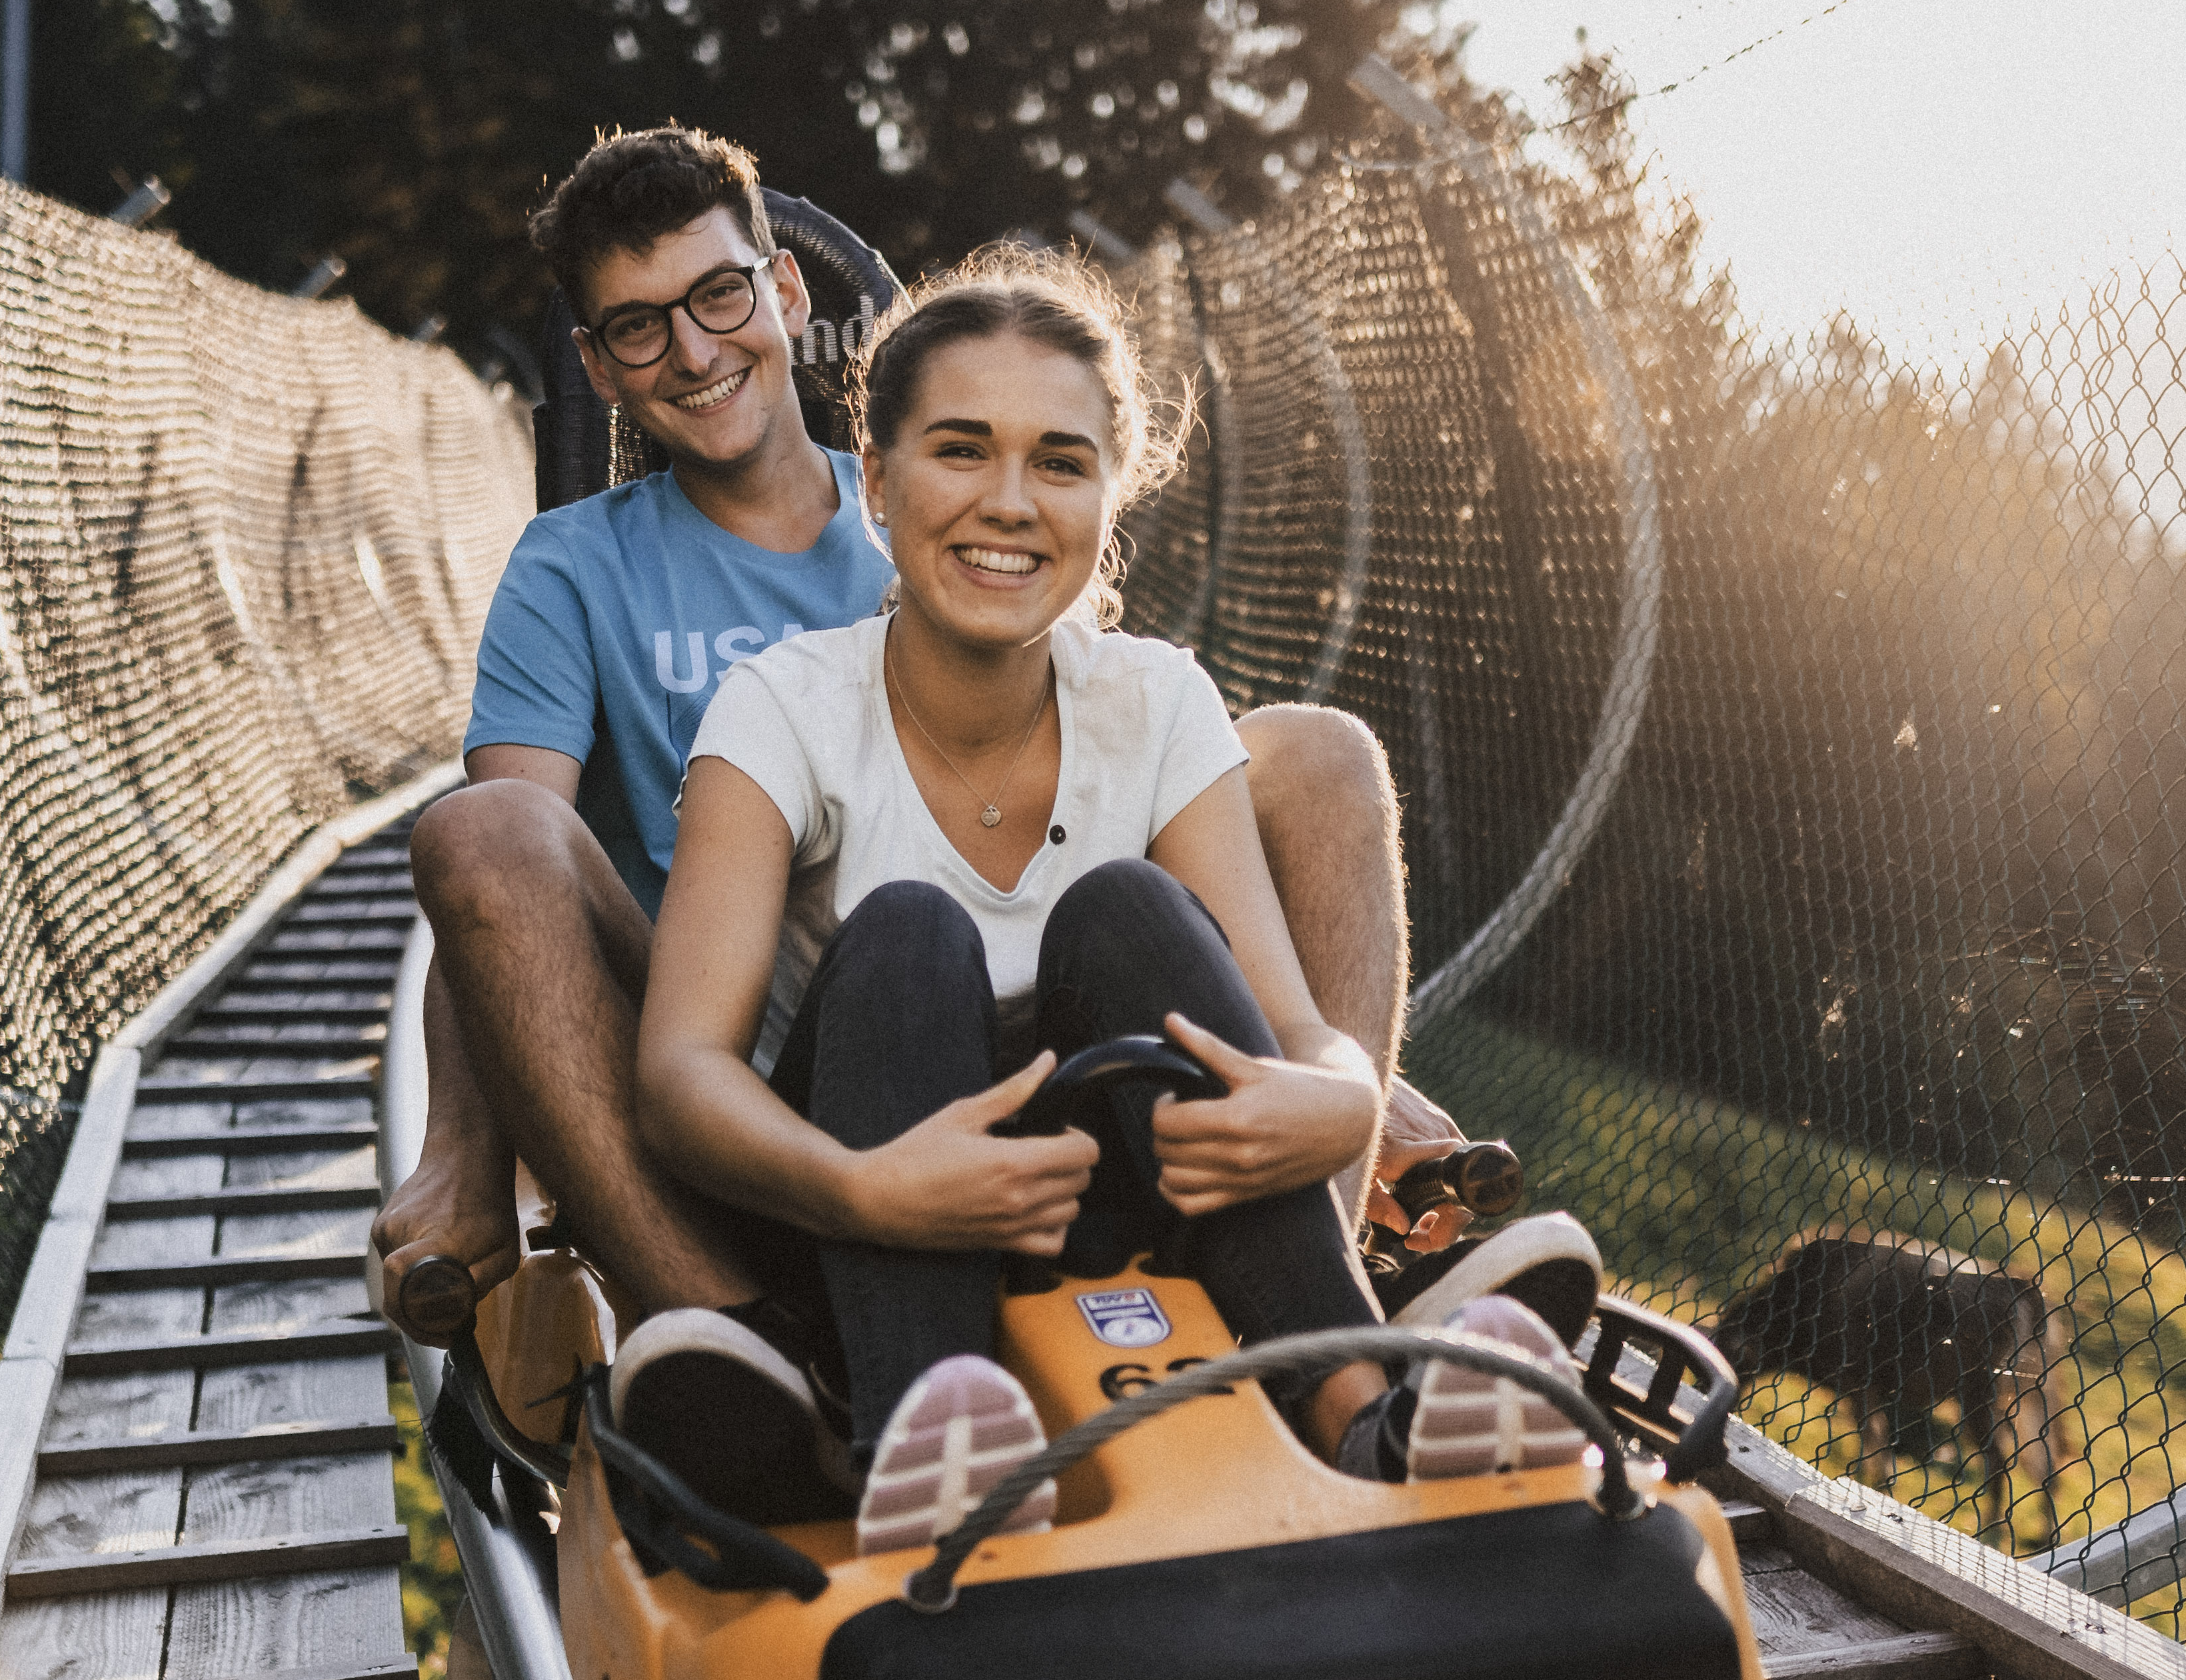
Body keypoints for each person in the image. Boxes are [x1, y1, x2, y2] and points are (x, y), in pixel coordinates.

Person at [371, 125, 1587, 1387]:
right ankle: (753, 1347)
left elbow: (1121, 736)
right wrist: (464, 1142)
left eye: (718, 295)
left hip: (1029, 969)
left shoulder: (953, 487)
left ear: (784, 291)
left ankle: (1320, 1274)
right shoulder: (580, 569)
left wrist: (1340, 1072)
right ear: (597, 366)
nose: (692, 350)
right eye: (638, 327)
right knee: (493, 832)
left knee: (1318, 755)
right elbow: (497, 910)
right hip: (746, 1002)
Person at [629, 249, 1603, 1548]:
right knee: (911, 934)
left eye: (1061, 462)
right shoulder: (782, 705)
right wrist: (861, 1192)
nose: (1011, 502)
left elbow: (1290, 1021)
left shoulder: (1154, 699)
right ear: (878, 483)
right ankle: (927, 1433)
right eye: (961, 450)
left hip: (1129, 1203)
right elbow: (682, 1072)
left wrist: (1337, 1096)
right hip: (871, 1205)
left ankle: (1358, 1401)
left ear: (1110, 493)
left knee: (1128, 913)